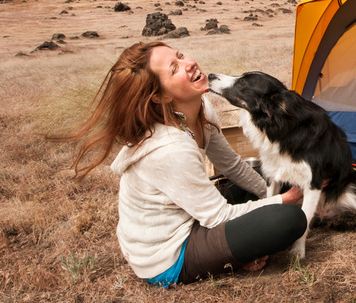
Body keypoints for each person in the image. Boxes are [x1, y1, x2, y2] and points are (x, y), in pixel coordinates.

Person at [66, 41, 307, 287]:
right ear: (161, 96)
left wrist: (270, 192)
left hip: (191, 214)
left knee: (272, 179)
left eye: (180, 56)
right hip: (169, 253)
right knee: (289, 219)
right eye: (174, 68)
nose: (189, 63)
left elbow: (232, 166)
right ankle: (233, 258)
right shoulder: (171, 148)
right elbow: (218, 216)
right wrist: (285, 199)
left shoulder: (202, 108)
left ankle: (243, 239)